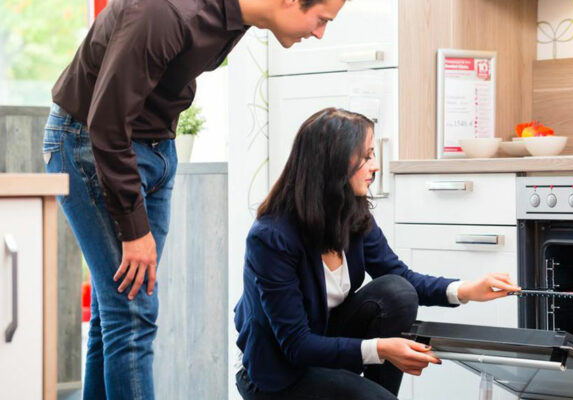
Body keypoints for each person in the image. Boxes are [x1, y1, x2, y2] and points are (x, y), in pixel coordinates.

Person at [43, 1, 346, 399]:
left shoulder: (236, 19)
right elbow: (107, 121)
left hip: (153, 150)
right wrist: (135, 232)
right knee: (132, 314)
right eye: (321, 19)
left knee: (115, 311)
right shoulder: (165, 10)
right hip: (91, 145)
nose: (321, 32)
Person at [233, 107, 521, 400]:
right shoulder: (271, 237)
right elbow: (296, 344)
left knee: (397, 291)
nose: (375, 165)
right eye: (367, 155)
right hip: (279, 374)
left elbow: (399, 277)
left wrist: (466, 290)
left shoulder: (351, 214)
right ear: (331, 162)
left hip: (325, 353)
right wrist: (380, 348)